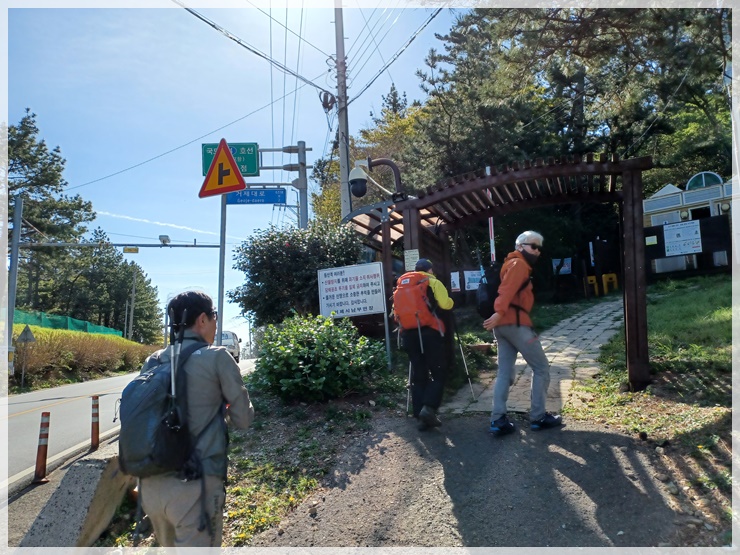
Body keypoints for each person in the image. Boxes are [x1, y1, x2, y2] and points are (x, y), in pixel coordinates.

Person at [140, 290, 254, 547]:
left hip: (151, 486)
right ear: (203, 319)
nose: (215, 323)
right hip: (196, 488)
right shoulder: (217, 356)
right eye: (214, 316)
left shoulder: (153, 360)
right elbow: (244, 419)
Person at [483, 231, 562, 435]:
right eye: (533, 246)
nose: (537, 251)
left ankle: (498, 419)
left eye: (539, 248)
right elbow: (507, 290)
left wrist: (499, 316)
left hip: (503, 327)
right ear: (519, 246)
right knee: (541, 368)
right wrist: (499, 312)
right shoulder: (518, 264)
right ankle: (538, 417)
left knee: (504, 373)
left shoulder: (509, 264)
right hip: (516, 324)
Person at [400, 258, 454, 431]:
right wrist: (451, 302)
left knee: (419, 374)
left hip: (409, 334)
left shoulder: (403, 285)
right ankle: (429, 408)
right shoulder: (433, 282)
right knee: (439, 372)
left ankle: (420, 416)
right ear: (430, 270)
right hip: (429, 333)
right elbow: (445, 304)